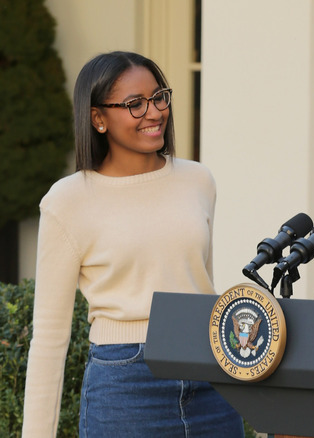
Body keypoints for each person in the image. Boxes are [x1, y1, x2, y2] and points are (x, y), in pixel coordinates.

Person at [22, 51, 244, 437]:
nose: (154, 112)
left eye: (159, 97)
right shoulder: (67, 200)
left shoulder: (198, 180)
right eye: (134, 104)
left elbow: (199, 284)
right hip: (125, 385)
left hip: (211, 375)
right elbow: (50, 338)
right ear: (98, 118)